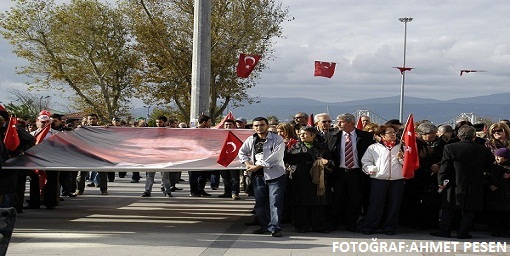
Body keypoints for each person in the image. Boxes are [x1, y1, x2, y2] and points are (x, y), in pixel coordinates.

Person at [431, 125, 492, 239]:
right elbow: (488, 168)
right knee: (469, 210)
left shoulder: (450, 148)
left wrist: (441, 181)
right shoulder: (484, 150)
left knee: (448, 207)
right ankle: (463, 233)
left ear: (458, 136)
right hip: (475, 183)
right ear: (474, 137)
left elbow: (445, 167)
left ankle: (444, 231)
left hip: (454, 182)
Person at [324, 113, 374, 232]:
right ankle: (335, 222)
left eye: (341, 122)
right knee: (337, 198)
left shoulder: (365, 136)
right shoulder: (332, 136)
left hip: (356, 172)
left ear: (351, 123)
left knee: (355, 199)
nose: (338, 124)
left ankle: (351, 223)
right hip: (339, 172)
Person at [238, 117, 286, 237]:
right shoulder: (251, 139)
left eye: (261, 125)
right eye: (256, 125)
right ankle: (264, 226)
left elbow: (276, 157)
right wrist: (247, 163)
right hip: (258, 176)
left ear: (267, 125)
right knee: (260, 202)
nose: (259, 128)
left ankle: (275, 227)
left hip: (275, 175)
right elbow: (242, 152)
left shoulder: (277, 139)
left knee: (275, 202)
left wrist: (258, 166)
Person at [284, 126, 333, 233]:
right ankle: (302, 226)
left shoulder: (322, 148)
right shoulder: (294, 147)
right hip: (299, 179)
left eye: (305, 133)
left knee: (317, 204)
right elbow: (286, 161)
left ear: (313, 135)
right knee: (300, 204)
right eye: (300, 134)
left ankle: (318, 226)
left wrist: (326, 162)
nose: (302, 136)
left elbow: (332, 162)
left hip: (316, 179)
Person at [361, 124, 405, 235]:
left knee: (394, 204)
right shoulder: (374, 147)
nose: (393, 134)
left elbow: (409, 164)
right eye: (389, 133)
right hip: (379, 179)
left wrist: (401, 159)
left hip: (397, 180)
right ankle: (370, 226)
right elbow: (366, 162)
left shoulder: (402, 146)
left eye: (394, 132)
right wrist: (371, 169)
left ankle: (390, 227)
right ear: (382, 135)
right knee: (375, 204)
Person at [141, 116, 173, 197]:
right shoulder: (152, 131)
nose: (158, 124)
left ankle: (167, 191)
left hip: (164, 157)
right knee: (150, 175)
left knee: (165, 176)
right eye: (157, 122)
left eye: (160, 122)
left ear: (165, 122)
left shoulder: (169, 132)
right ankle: (147, 191)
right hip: (153, 156)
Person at [486, 148, 510, 237]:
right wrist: (489, 185)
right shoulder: (492, 166)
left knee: (506, 214)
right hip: (494, 194)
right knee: (496, 213)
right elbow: (487, 177)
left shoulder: (507, 168)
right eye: (496, 156)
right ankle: (496, 230)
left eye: (500, 157)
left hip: (505, 194)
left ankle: (506, 230)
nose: (497, 158)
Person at [189, 115, 212, 197]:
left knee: (204, 174)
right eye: (209, 122)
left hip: (206, 156)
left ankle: (201, 189)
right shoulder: (192, 131)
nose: (210, 123)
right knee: (194, 174)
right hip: (194, 156)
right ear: (204, 122)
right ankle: (193, 191)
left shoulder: (210, 132)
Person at [218, 119, 241, 200]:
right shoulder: (219, 134)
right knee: (225, 177)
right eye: (226, 125)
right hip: (224, 159)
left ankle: (235, 193)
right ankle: (227, 192)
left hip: (234, 159)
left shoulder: (238, 134)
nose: (228, 126)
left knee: (234, 177)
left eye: (230, 124)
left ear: (234, 125)